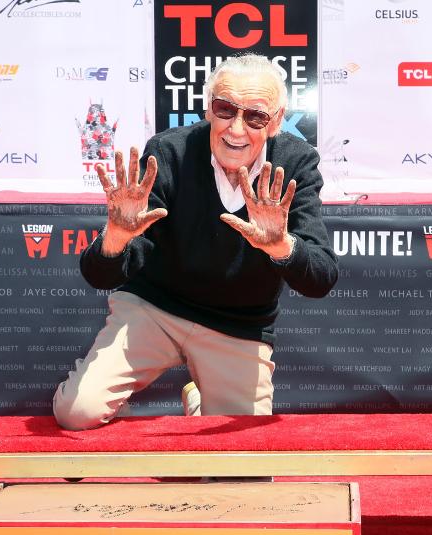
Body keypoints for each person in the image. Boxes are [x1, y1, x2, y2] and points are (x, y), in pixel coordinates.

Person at [52, 54, 338, 431]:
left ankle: (202, 397)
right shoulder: (168, 153)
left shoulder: (295, 164)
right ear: (208, 109)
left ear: (276, 122)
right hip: (154, 308)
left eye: (255, 117)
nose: (236, 129)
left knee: (243, 468)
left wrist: (280, 246)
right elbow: (99, 275)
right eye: (225, 109)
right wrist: (117, 237)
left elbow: (321, 277)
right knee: (76, 413)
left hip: (237, 325)